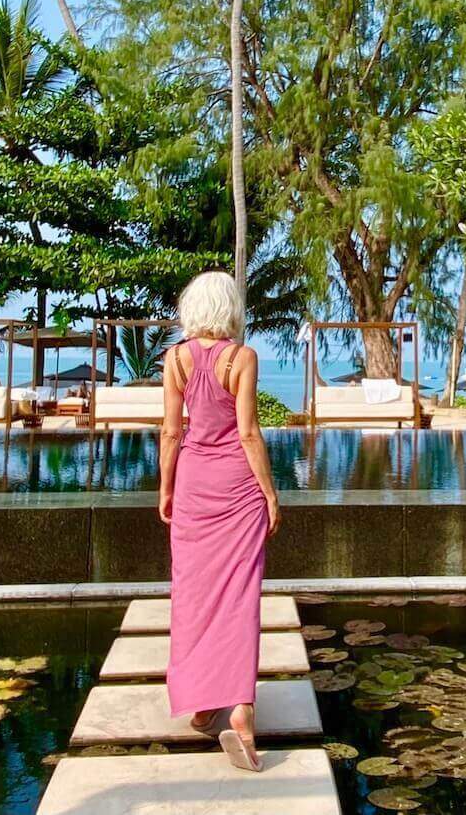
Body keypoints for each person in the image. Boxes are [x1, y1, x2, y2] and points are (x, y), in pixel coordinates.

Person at [158, 270, 282, 771]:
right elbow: (249, 433)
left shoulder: (175, 359)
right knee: (239, 596)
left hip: (194, 485)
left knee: (193, 594)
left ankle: (203, 703)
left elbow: (171, 431)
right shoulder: (242, 358)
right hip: (237, 488)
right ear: (229, 309)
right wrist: (271, 493)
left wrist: (165, 487)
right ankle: (241, 713)